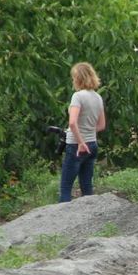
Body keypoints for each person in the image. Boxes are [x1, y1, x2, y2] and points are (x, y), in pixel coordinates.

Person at [59, 62, 106, 202]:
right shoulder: (98, 97)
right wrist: (88, 131)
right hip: (92, 143)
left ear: (78, 78)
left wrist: (80, 141)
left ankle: (62, 217)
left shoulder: (77, 96)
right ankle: (89, 218)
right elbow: (102, 125)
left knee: (66, 187)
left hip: (76, 145)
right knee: (87, 186)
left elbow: (72, 122)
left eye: (74, 77)